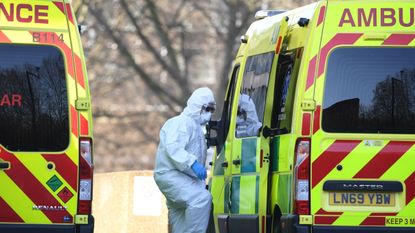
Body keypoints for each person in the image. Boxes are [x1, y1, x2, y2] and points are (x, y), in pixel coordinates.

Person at [154, 87, 216, 233]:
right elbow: (173, 146)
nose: (209, 114)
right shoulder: (180, 123)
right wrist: (192, 163)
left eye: (211, 110)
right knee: (201, 199)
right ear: (197, 106)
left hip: (183, 178)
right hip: (171, 175)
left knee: (180, 220)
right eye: (206, 109)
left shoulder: (196, 129)